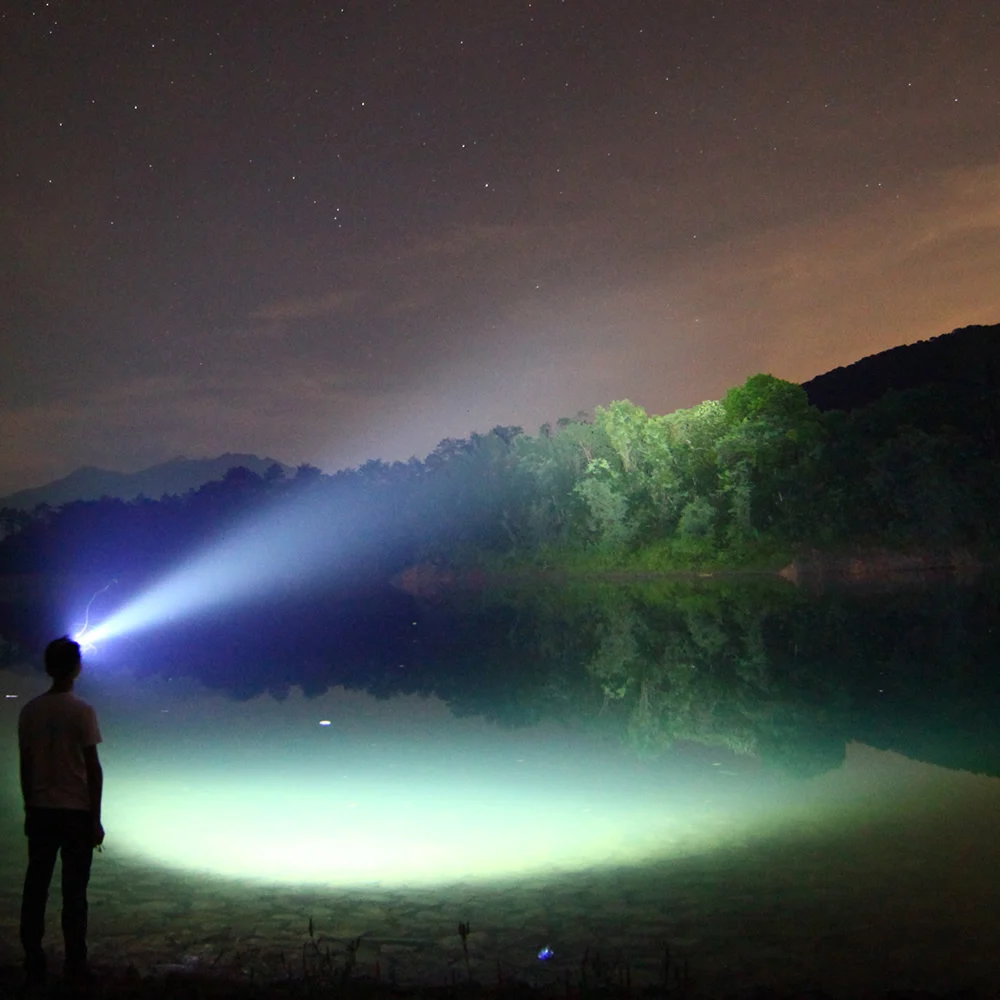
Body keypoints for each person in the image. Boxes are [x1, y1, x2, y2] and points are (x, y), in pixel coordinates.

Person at [18, 636, 105, 985]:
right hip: (75, 813)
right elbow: (93, 768)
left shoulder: (30, 711)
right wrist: (95, 818)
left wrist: (28, 806)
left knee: (36, 887)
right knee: (75, 892)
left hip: (41, 810)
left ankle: (33, 959)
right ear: (76, 669)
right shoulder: (82, 711)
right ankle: (75, 964)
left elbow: (26, 765)